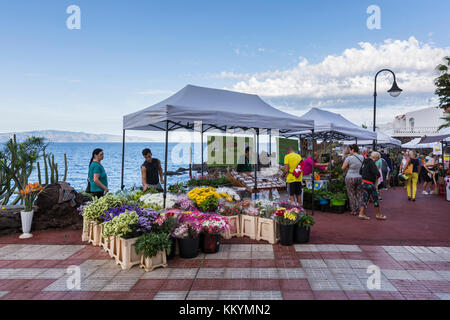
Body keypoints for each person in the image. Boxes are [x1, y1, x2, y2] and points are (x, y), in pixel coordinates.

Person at [359, 151, 386, 221]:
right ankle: (378, 214)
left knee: (366, 197)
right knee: (375, 198)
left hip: (363, 182)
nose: (377, 161)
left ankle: (361, 213)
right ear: (376, 158)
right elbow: (377, 173)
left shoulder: (365, 161)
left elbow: (360, 172)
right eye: (377, 159)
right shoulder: (371, 163)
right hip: (369, 183)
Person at [341, 144, 364, 216]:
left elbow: (343, 168)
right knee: (359, 194)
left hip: (350, 177)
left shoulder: (349, 158)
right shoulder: (362, 157)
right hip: (360, 177)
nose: (349, 151)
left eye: (350, 150)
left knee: (351, 194)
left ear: (353, 150)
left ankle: (353, 210)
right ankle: (361, 209)